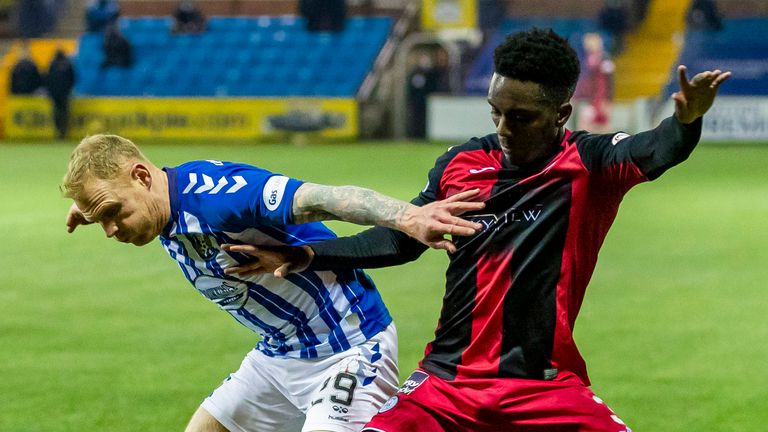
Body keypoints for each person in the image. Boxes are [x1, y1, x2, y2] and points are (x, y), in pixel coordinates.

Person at [224, 28, 731, 431]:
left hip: (546, 390)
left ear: (560, 114)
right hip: (445, 386)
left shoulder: (590, 164)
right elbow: (403, 239)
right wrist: (312, 257)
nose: (505, 128)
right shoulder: (461, 162)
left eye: (522, 117)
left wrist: (686, 122)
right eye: (496, 112)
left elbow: (659, 148)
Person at [61, 134, 484, 432]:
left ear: (141, 176)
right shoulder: (157, 207)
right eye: (102, 220)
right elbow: (116, 202)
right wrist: (93, 210)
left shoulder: (219, 197)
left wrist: (408, 217)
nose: (112, 230)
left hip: (349, 348)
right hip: (278, 357)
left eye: (113, 212)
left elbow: (325, 198)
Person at [46, 48, 76, 139]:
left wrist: (50, 91)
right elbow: (72, 78)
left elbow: (49, 79)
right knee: (64, 112)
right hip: (64, 94)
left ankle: (58, 131)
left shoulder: (53, 64)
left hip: (55, 94)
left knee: (56, 112)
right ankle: (63, 132)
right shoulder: (68, 64)